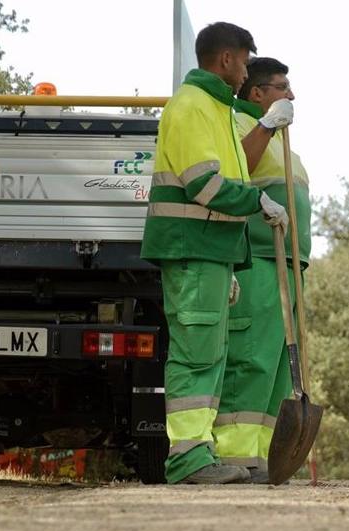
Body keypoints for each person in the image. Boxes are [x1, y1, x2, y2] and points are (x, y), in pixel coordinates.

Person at [140, 22, 289, 485]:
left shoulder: (214, 109)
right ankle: (187, 459)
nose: (246, 70)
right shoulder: (192, 107)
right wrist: (257, 201)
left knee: (210, 354)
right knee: (195, 355)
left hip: (209, 252)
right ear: (226, 60)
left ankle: (198, 454)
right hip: (193, 249)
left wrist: (230, 260)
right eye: (245, 60)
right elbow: (205, 185)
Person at [216, 58, 306, 482]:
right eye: (282, 87)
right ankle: (234, 454)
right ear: (257, 93)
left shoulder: (283, 141)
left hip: (288, 263)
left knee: (275, 368)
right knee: (251, 357)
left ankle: (261, 455)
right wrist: (268, 125)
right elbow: (236, 171)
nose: (291, 96)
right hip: (257, 257)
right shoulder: (237, 125)